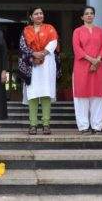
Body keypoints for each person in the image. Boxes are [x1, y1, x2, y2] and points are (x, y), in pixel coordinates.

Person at [19, 7, 58, 135]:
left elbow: (53, 43)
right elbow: (23, 47)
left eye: (41, 13)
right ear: (31, 17)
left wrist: (42, 54)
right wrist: (34, 55)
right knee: (33, 94)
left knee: (46, 93)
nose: (39, 15)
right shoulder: (26, 30)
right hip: (32, 65)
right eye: (36, 14)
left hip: (47, 63)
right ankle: (33, 124)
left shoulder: (50, 28)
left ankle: (46, 124)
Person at [72, 6, 102, 134]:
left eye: (91, 13)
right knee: (82, 97)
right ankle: (83, 126)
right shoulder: (77, 31)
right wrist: (91, 60)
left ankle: (97, 126)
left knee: (98, 96)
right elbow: (77, 48)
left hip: (99, 67)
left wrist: (97, 60)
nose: (89, 15)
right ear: (82, 17)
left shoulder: (100, 31)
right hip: (82, 67)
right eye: (86, 14)